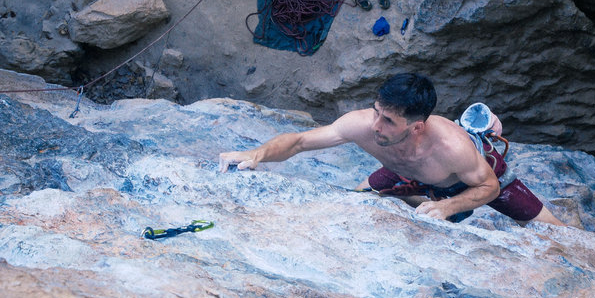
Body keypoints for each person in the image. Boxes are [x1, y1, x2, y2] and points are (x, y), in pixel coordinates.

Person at [219, 73, 564, 227]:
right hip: (408, 172)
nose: (375, 126)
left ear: (417, 126)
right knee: (358, 198)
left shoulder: (451, 148)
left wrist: (447, 208)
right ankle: (420, 200)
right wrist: (256, 155)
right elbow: (300, 141)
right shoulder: (363, 124)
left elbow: (487, 187)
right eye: (376, 112)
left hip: (466, 180)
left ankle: (478, 136)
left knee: (553, 232)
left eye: (388, 121)